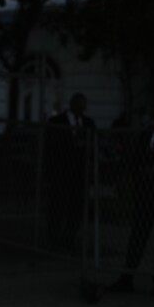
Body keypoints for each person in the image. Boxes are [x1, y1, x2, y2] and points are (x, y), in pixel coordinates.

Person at [109, 94, 154, 297]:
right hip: (146, 194)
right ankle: (127, 277)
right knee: (138, 236)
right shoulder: (147, 133)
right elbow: (135, 157)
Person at [44, 92, 96, 252]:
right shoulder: (56, 122)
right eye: (78, 105)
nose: (81, 108)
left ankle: (68, 239)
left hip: (79, 174)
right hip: (60, 172)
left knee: (77, 208)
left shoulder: (88, 123)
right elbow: (49, 148)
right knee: (56, 207)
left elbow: (93, 146)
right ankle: (54, 240)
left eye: (83, 106)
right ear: (72, 105)